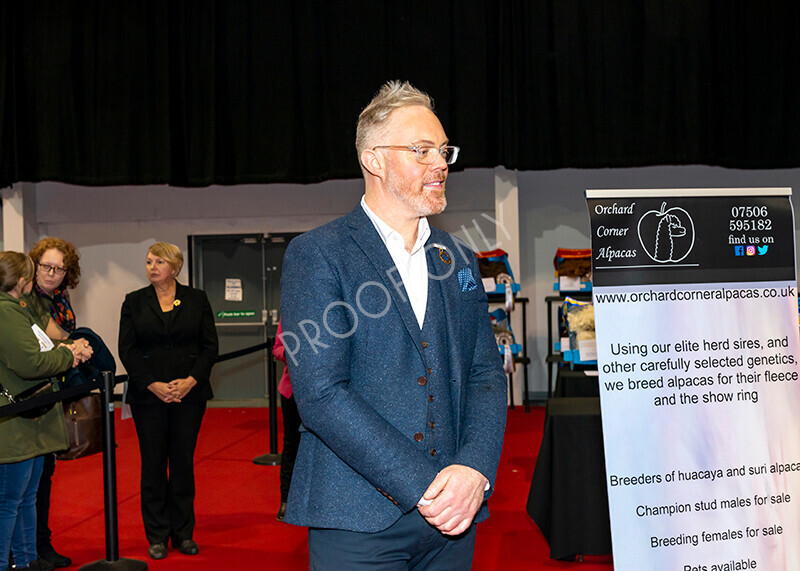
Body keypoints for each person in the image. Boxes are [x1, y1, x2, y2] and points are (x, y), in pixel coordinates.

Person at [279, 81, 508, 569]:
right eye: (421, 150)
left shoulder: (459, 258)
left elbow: (486, 373)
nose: (441, 164)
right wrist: (425, 485)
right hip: (357, 519)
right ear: (374, 160)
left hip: (453, 517)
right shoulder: (318, 254)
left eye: (443, 150)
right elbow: (320, 394)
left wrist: (473, 469)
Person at [118, 242, 218, 560]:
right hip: (149, 397)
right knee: (153, 465)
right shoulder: (133, 302)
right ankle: (158, 535)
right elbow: (127, 349)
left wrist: (190, 381)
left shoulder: (196, 299)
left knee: (182, 464)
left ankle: (184, 534)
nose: (152, 267)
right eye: (148, 261)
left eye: (159, 261)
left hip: (189, 395)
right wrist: (152, 384)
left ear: (174, 267)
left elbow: (209, 346)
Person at [0, 251, 84, 571]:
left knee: (25, 499)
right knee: (11, 502)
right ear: (22, 280)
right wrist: (69, 356)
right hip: (14, 421)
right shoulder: (6, 312)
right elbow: (31, 362)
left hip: (27, 418)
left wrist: (64, 350)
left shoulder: (18, 308)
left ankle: (27, 562)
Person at [27, 237, 83, 568]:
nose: (52, 273)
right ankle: (26, 549)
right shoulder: (25, 301)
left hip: (55, 392)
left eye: (59, 268)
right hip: (29, 397)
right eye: (46, 266)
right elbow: (56, 339)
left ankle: (41, 544)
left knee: (45, 475)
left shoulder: (60, 298)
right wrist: (72, 346)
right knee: (26, 482)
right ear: (34, 266)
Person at [272, 319, 301, 522]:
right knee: (291, 444)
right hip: (291, 391)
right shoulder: (290, 311)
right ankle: (286, 500)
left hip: (324, 390)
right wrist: (292, 353)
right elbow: (277, 349)